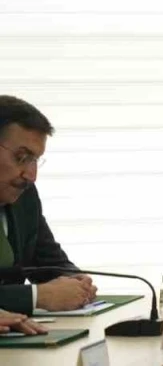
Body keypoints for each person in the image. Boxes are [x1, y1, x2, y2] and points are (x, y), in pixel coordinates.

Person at [0, 96, 97, 315]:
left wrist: (76, 281)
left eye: (35, 160)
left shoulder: (25, 197)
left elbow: (48, 261)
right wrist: (37, 296)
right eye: (22, 157)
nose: (31, 175)